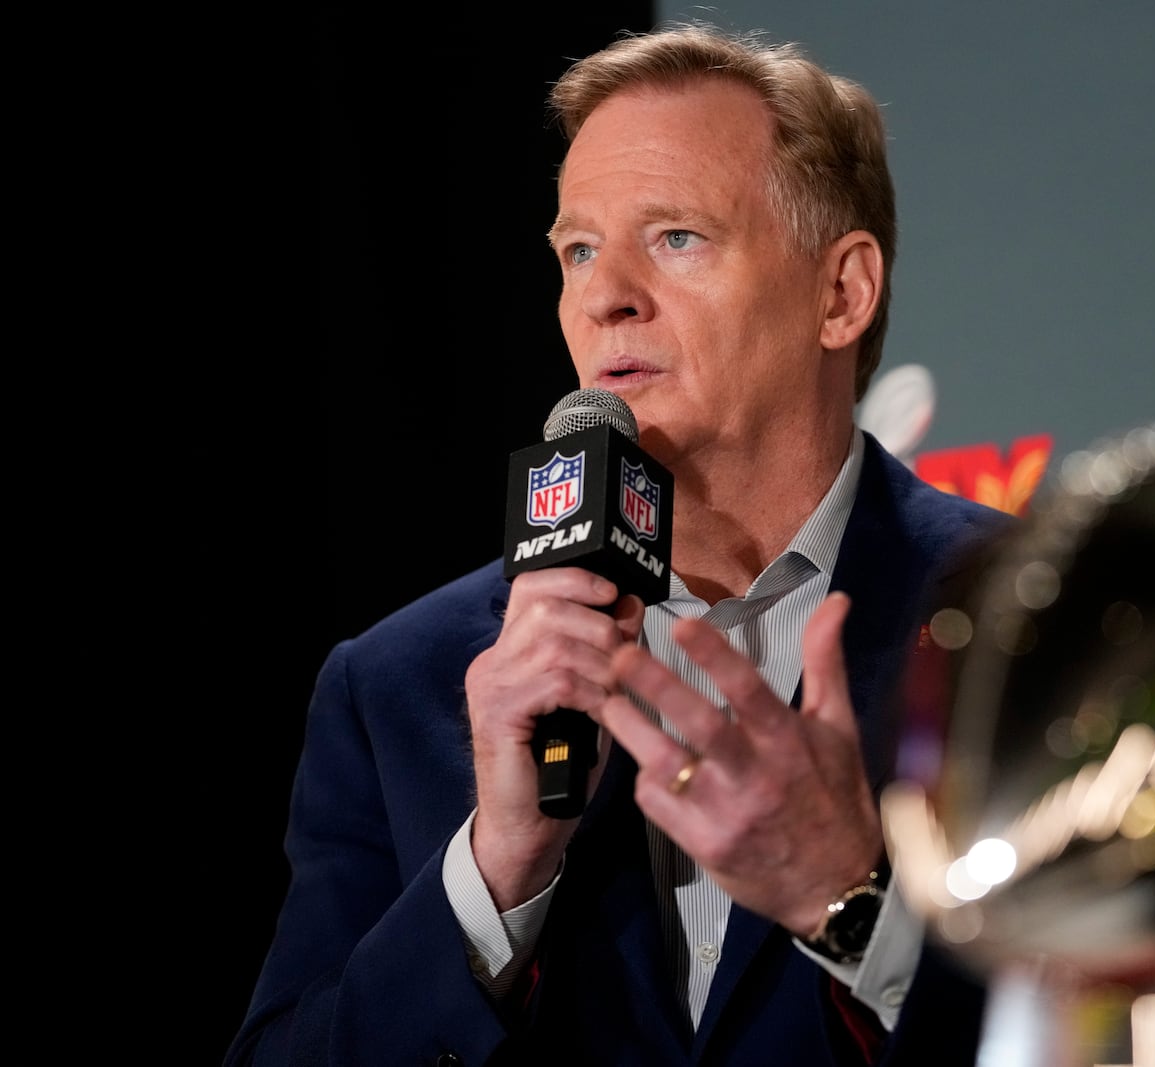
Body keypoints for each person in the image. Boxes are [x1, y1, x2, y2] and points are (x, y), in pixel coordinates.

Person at [230, 22, 1013, 1067]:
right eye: (579, 250)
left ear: (841, 292)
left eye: (677, 237)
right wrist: (496, 872)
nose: (605, 297)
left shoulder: (1038, 618)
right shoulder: (399, 683)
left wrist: (851, 905)